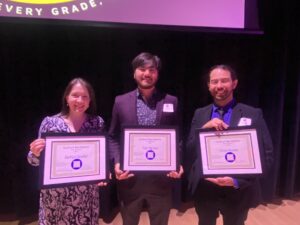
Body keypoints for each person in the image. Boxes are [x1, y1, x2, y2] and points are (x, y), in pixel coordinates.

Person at [186, 65, 274, 225]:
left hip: (237, 190)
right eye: (214, 81)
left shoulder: (252, 113)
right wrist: (203, 130)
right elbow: (189, 150)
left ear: (234, 83)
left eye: (224, 81)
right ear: (208, 86)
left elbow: (266, 154)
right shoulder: (200, 114)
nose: (219, 85)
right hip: (205, 187)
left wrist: (237, 181)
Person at [108, 52, 183, 225]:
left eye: (152, 70)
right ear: (134, 72)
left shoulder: (171, 100)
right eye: (142, 69)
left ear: (157, 73)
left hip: (161, 181)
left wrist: (176, 162)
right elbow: (112, 137)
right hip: (129, 180)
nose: (147, 74)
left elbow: (177, 138)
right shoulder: (120, 101)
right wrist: (118, 162)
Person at [28, 78, 106, 225]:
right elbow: (33, 160)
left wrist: (103, 172)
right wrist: (35, 153)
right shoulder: (50, 123)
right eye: (75, 95)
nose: (80, 100)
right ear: (66, 98)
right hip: (56, 199)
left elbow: (100, 157)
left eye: (85, 97)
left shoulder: (97, 122)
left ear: (90, 101)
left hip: (86, 198)